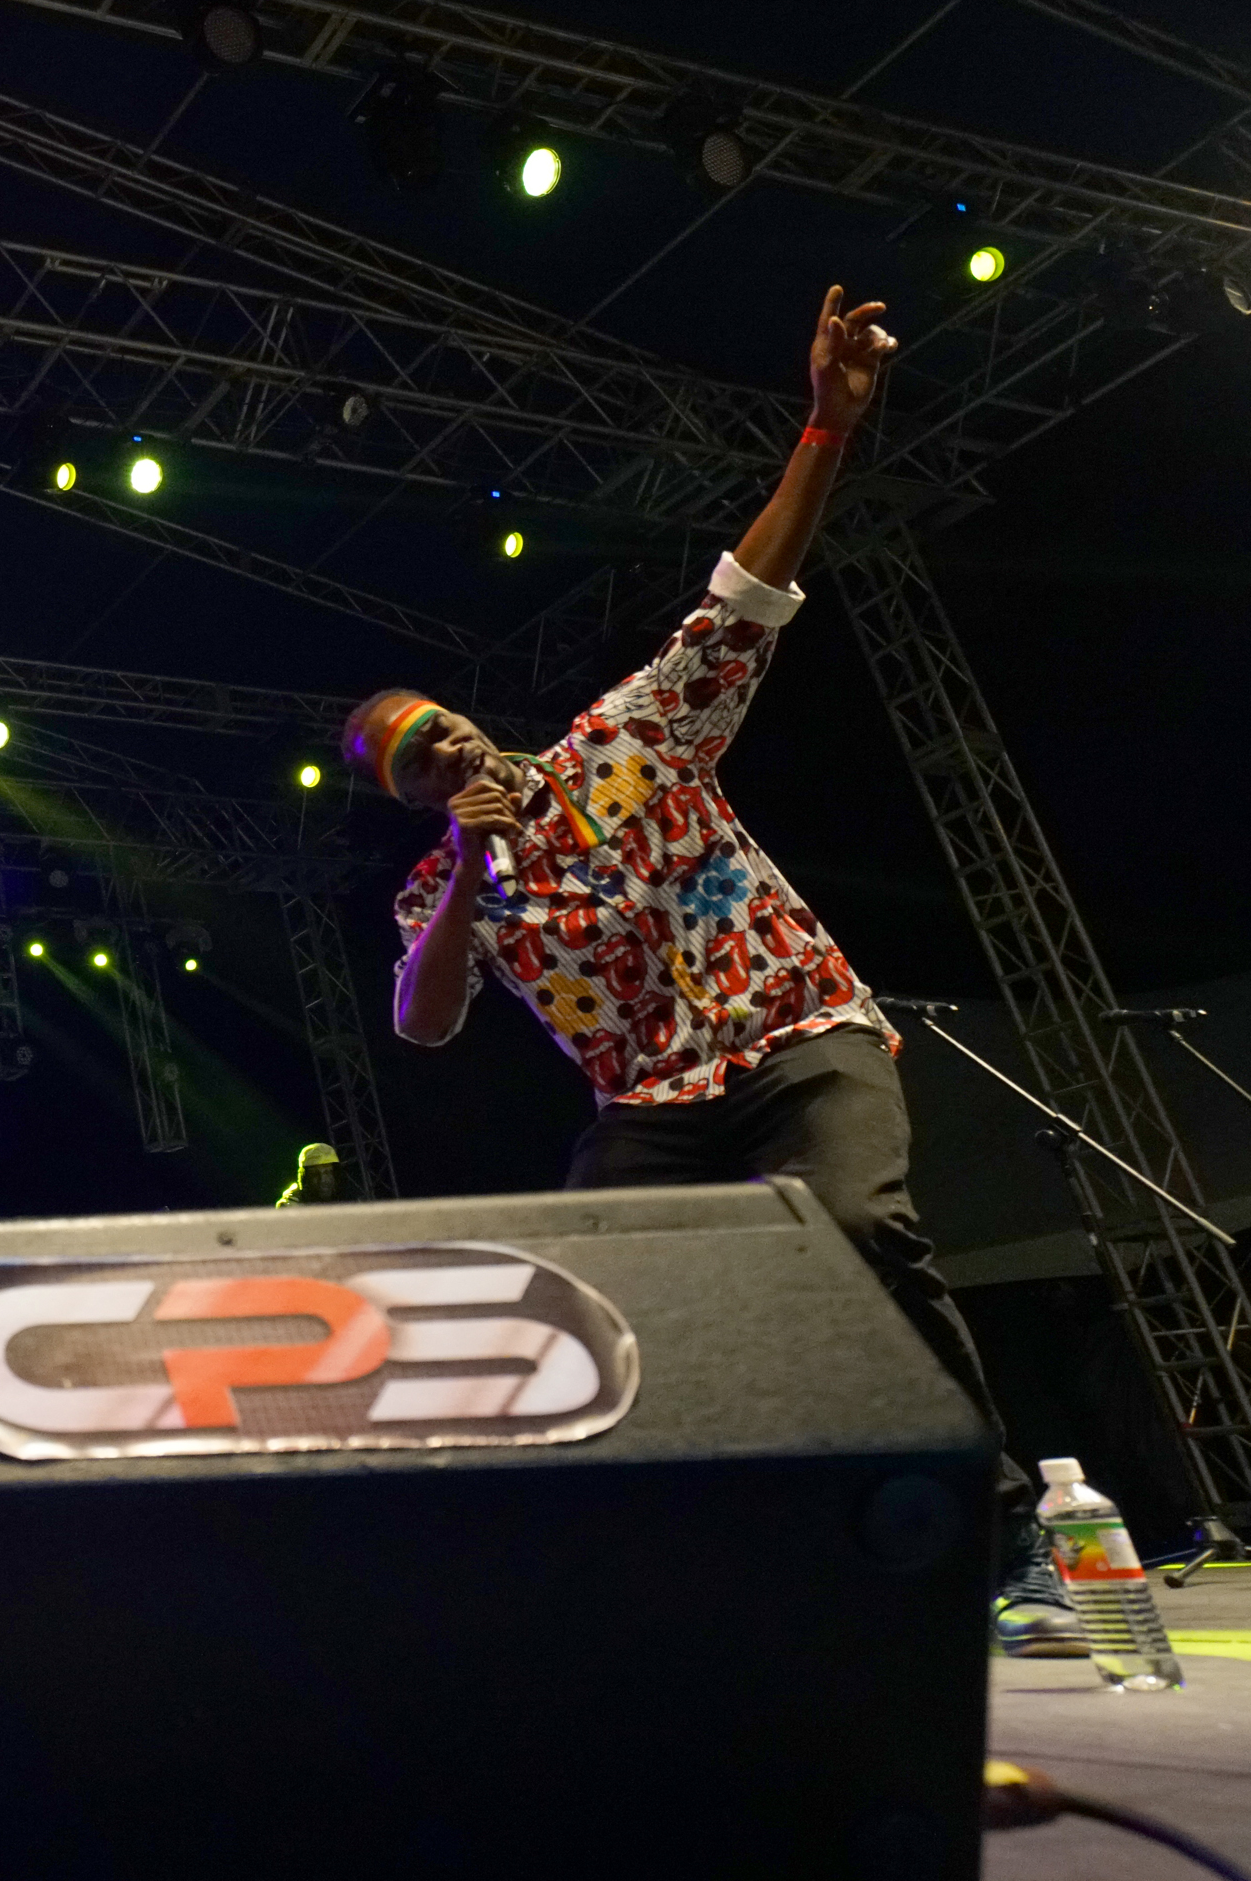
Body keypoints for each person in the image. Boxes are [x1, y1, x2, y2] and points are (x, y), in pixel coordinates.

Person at [344, 285, 1082, 1661]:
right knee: (592, 1293)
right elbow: (423, 1022)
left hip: (799, 1032)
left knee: (858, 1225)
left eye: (440, 727)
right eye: (414, 764)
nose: (443, 751)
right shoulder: (443, 891)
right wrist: (466, 866)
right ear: (411, 799)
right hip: (653, 1106)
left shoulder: (625, 741)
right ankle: (690, 1569)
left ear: (469, 718)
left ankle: (1005, 1532)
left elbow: (743, 600)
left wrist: (826, 426)